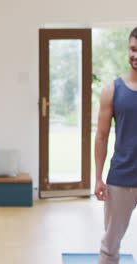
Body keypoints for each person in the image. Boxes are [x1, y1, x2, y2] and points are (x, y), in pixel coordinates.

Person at [95, 27, 137, 264]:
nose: (136, 55)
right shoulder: (112, 90)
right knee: (110, 246)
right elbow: (101, 136)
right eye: (133, 49)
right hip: (121, 177)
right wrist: (99, 178)